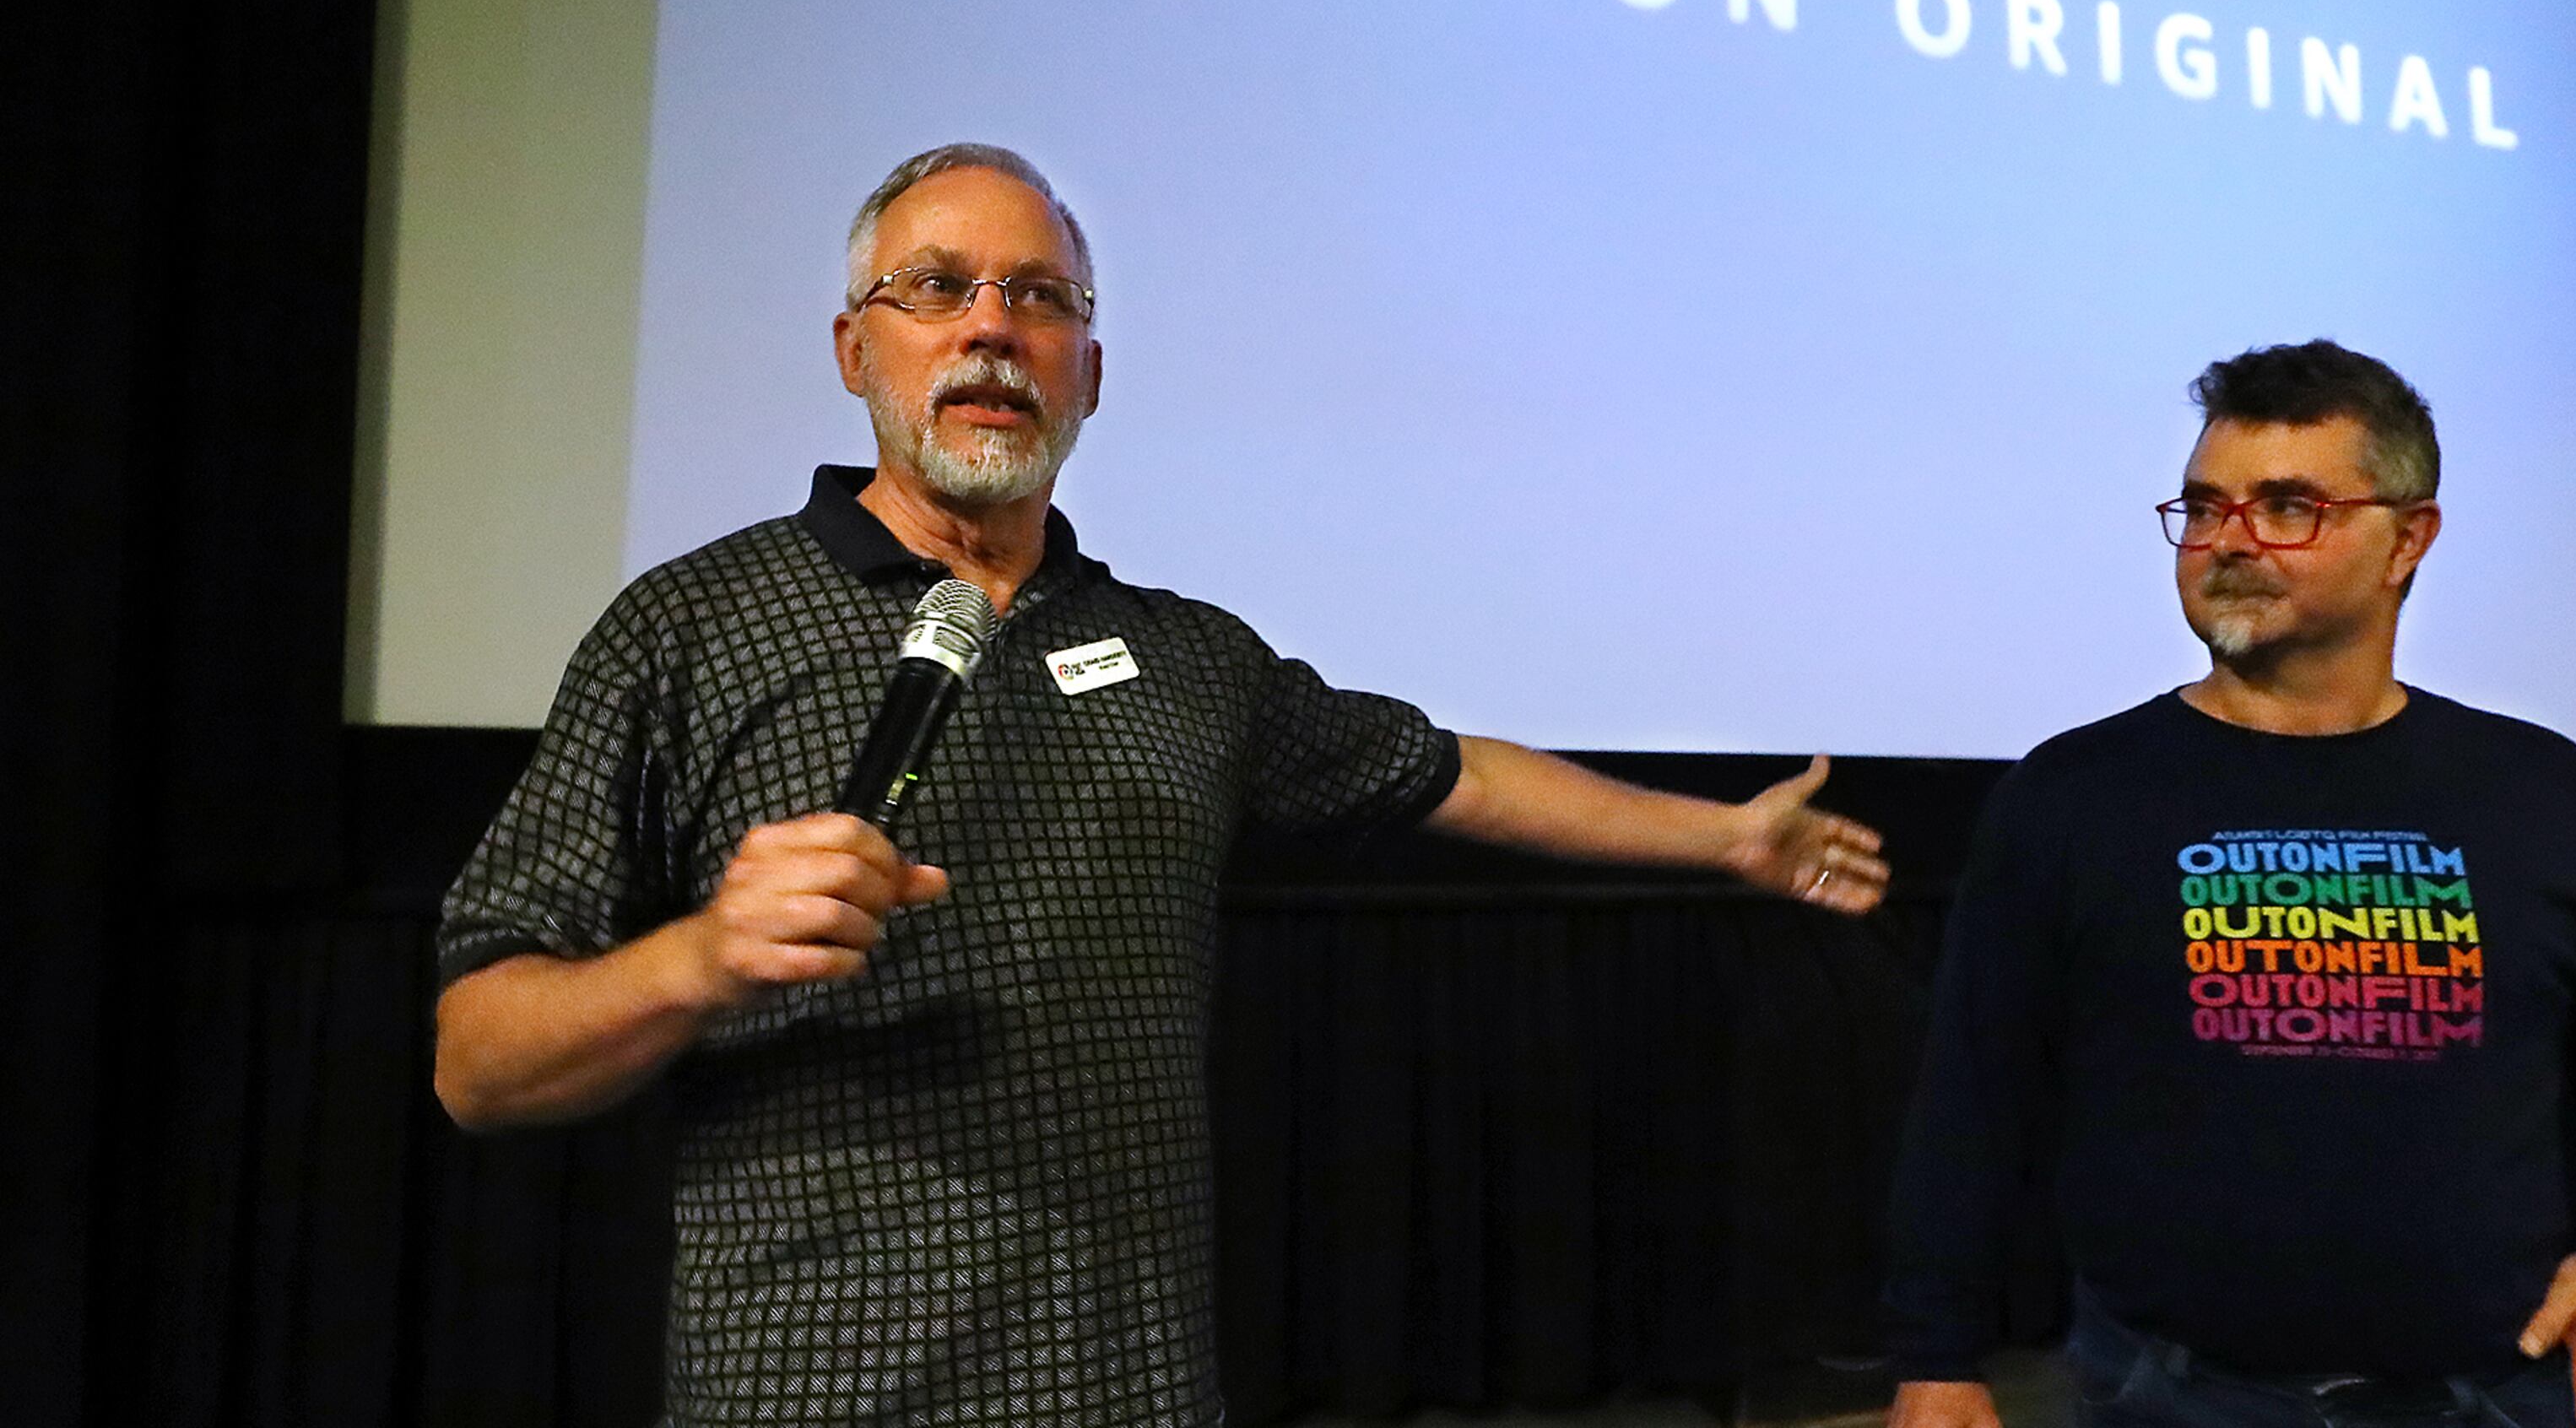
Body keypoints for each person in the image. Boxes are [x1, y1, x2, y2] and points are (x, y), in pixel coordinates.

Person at [431, 142, 1890, 1425]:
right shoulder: (693, 627)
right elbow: (477, 1060)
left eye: (1041, 298)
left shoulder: (1184, 656)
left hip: (1135, 1389)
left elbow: (1450, 775)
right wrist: (697, 962)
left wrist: (1728, 838)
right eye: (938, 289)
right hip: (808, 1390)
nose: (994, 329)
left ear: (1094, 372)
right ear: (851, 348)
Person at [1881, 341, 2576, 1428]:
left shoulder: (2543, 793)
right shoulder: (2074, 797)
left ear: (2409, 539)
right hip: (2174, 1397)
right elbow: (1973, 1091)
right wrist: (1935, 1356)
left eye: (2287, 506)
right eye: (2203, 507)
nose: (2229, 540)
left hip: (2501, 1389)